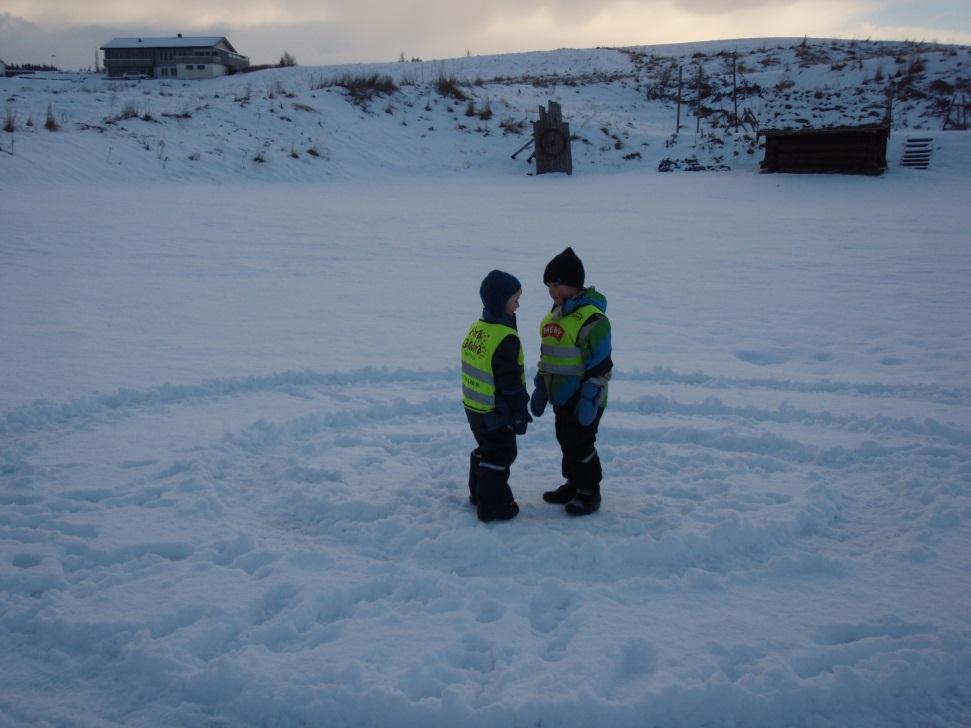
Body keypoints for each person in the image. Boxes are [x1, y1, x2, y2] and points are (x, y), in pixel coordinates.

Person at [530, 247, 612, 516]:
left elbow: (600, 361)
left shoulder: (592, 318)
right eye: (548, 286)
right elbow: (548, 353)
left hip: (585, 397)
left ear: (573, 284)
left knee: (581, 442)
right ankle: (573, 482)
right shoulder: (555, 315)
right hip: (562, 395)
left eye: (556, 284)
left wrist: (590, 395)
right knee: (566, 439)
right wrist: (541, 384)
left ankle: (589, 491)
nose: (551, 291)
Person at [461, 269, 531, 522]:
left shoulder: (479, 328)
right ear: (500, 302)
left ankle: (479, 493)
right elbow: (509, 382)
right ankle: (493, 505)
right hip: (495, 410)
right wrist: (520, 411)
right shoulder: (504, 338)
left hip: (474, 406)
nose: (518, 305)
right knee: (501, 453)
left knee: (487, 448)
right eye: (515, 300)